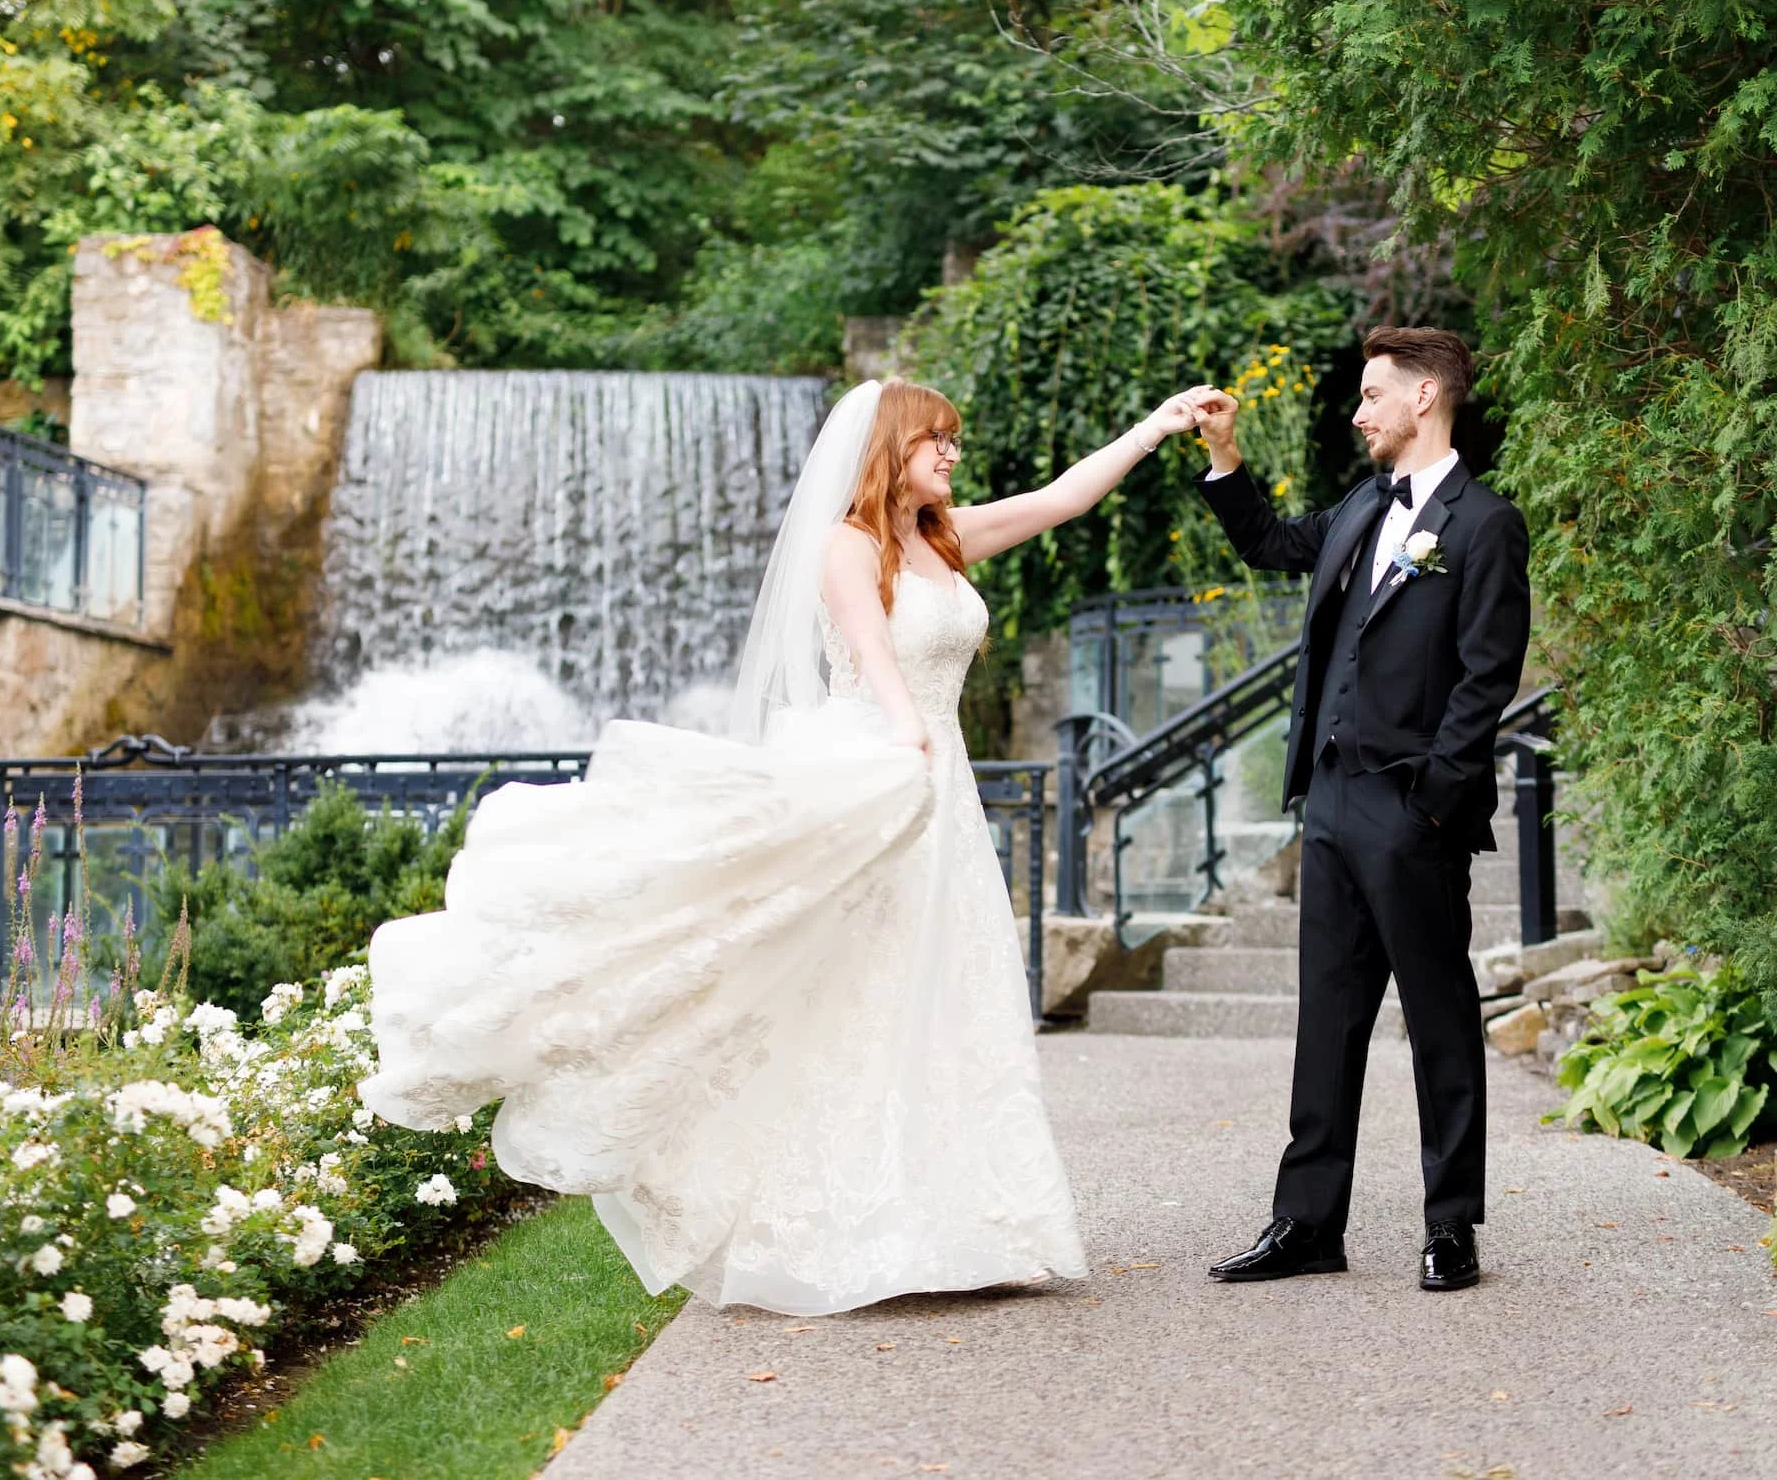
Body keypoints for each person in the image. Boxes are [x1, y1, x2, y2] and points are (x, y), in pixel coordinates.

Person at [357, 377, 1219, 1316]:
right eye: (939, 440)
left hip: (944, 791)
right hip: (885, 772)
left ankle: (973, 1220)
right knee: (867, 1000)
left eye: (955, 442)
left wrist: (1154, 428)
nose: (952, 454)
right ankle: (854, 1225)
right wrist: (908, 738)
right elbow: (875, 659)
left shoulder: (943, 537)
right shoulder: (846, 546)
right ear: (893, 444)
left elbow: (1060, 500)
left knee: (948, 996)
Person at [1189, 326, 1530, 1292]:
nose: (1360, 410)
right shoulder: (1361, 506)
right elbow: (1268, 542)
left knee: (1439, 1019)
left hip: (1411, 809)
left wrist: (1433, 801)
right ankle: (1305, 1223)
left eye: (1374, 394)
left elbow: (1483, 677)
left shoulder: (1484, 523)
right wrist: (1225, 457)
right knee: (1327, 1017)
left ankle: (1452, 1226)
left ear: (1426, 398)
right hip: (1332, 801)